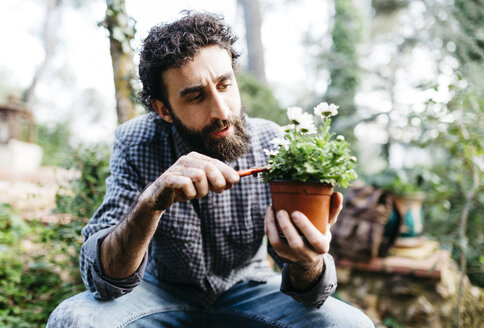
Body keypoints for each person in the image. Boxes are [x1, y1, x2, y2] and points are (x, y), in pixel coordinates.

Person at [47, 11, 374, 328]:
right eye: (195, 97)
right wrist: (150, 204)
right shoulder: (135, 142)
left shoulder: (274, 143)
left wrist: (309, 262)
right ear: (164, 110)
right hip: (157, 294)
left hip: (250, 288)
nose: (221, 111)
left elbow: (311, 293)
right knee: (73, 319)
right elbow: (103, 280)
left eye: (224, 84)